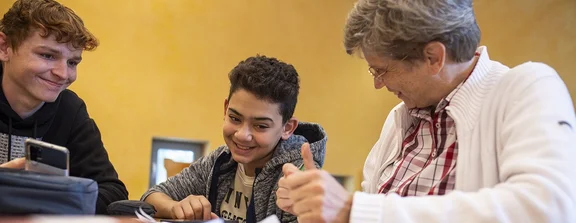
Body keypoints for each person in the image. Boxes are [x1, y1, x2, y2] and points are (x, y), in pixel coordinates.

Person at [277, 0, 576, 222]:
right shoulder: (400, 119)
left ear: (433, 57)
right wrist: (317, 205)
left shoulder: (528, 88)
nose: (378, 84)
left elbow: (548, 208)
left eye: (381, 70)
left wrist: (351, 209)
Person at [141, 55, 327, 223]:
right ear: (225, 109)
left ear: (287, 128)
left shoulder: (296, 178)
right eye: (235, 118)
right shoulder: (218, 162)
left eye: (260, 126)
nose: (242, 135)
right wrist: (175, 208)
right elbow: (151, 197)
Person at [0, 0, 128, 214]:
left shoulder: (71, 110)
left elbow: (113, 192)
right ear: (5, 48)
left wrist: (47, 197)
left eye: (72, 62)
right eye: (47, 55)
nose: (63, 74)